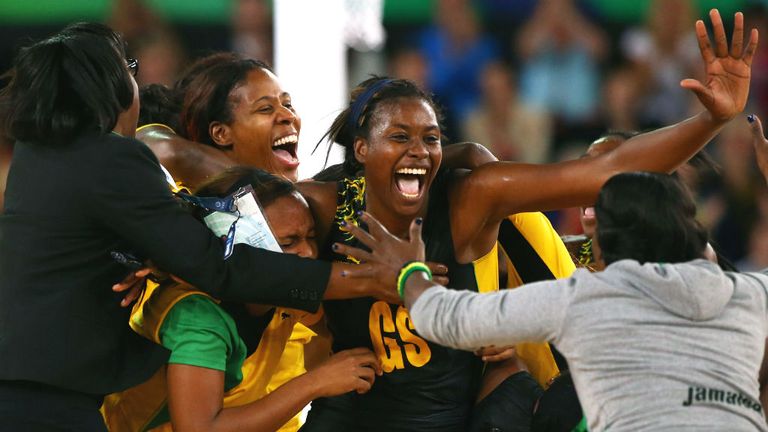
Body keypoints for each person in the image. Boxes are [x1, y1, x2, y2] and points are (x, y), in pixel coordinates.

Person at [296, 9, 757, 431]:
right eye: (400, 137)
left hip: (471, 409)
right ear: (361, 149)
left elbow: (605, 172)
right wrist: (352, 286)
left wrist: (711, 120)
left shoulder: (469, 198)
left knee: (523, 390)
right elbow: (237, 255)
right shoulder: (322, 205)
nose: (419, 150)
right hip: (356, 412)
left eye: (432, 139)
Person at [0, 22, 395, 431]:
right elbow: (216, 267)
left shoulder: (35, 156)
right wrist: (364, 280)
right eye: (129, 69)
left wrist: (143, 252)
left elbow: (83, 235)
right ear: (113, 87)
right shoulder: (120, 157)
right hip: (53, 402)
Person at [371, 169, 766, 431]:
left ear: (608, 240)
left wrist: (411, 271)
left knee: (553, 401)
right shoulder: (746, 292)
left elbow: (445, 318)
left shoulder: (590, 299)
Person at [103, 167, 382, 431]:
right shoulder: (198, 316)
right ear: (236, 245)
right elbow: (199, 427)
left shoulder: (285, 297)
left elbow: (326, 334)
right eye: (288, 242)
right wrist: (316, 383)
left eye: (311, 236)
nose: (308, 253)